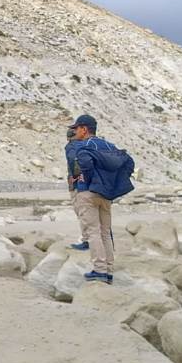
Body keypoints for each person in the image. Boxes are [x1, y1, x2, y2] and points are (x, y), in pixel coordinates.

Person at [71, 114, 122, 283]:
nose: (75, 132)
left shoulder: (83, 146)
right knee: (105, 233)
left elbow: (84, 165)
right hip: (106, 194)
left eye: (77, 128)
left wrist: (88, 179)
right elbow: (124, 163)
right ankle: (109, 271)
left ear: (84, 129)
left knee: (93, 232)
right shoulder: (109, 146)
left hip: (88, 192)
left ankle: (99, 270)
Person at [65, 126, 90, 250]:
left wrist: (75, 177)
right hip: (90, 184)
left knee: (82, 213)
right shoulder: (88, 145)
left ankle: (86, 241)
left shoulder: (71, 147)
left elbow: (72, 162)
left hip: (77, 185)